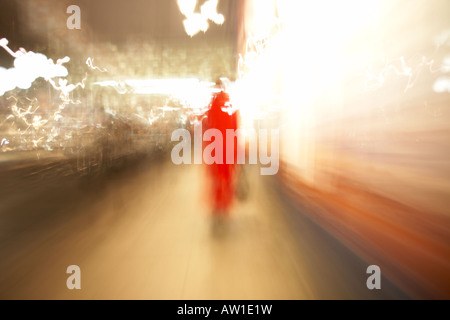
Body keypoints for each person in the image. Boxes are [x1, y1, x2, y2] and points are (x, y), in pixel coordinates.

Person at [203, 79, 240, 227]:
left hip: (215, 150)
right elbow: (235, 129)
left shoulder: (211, 107)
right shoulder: (230, 106)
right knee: (226, 178)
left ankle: (219, 204)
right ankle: (223, 205)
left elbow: (208, 129)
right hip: (228, 149)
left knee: (218, 179)